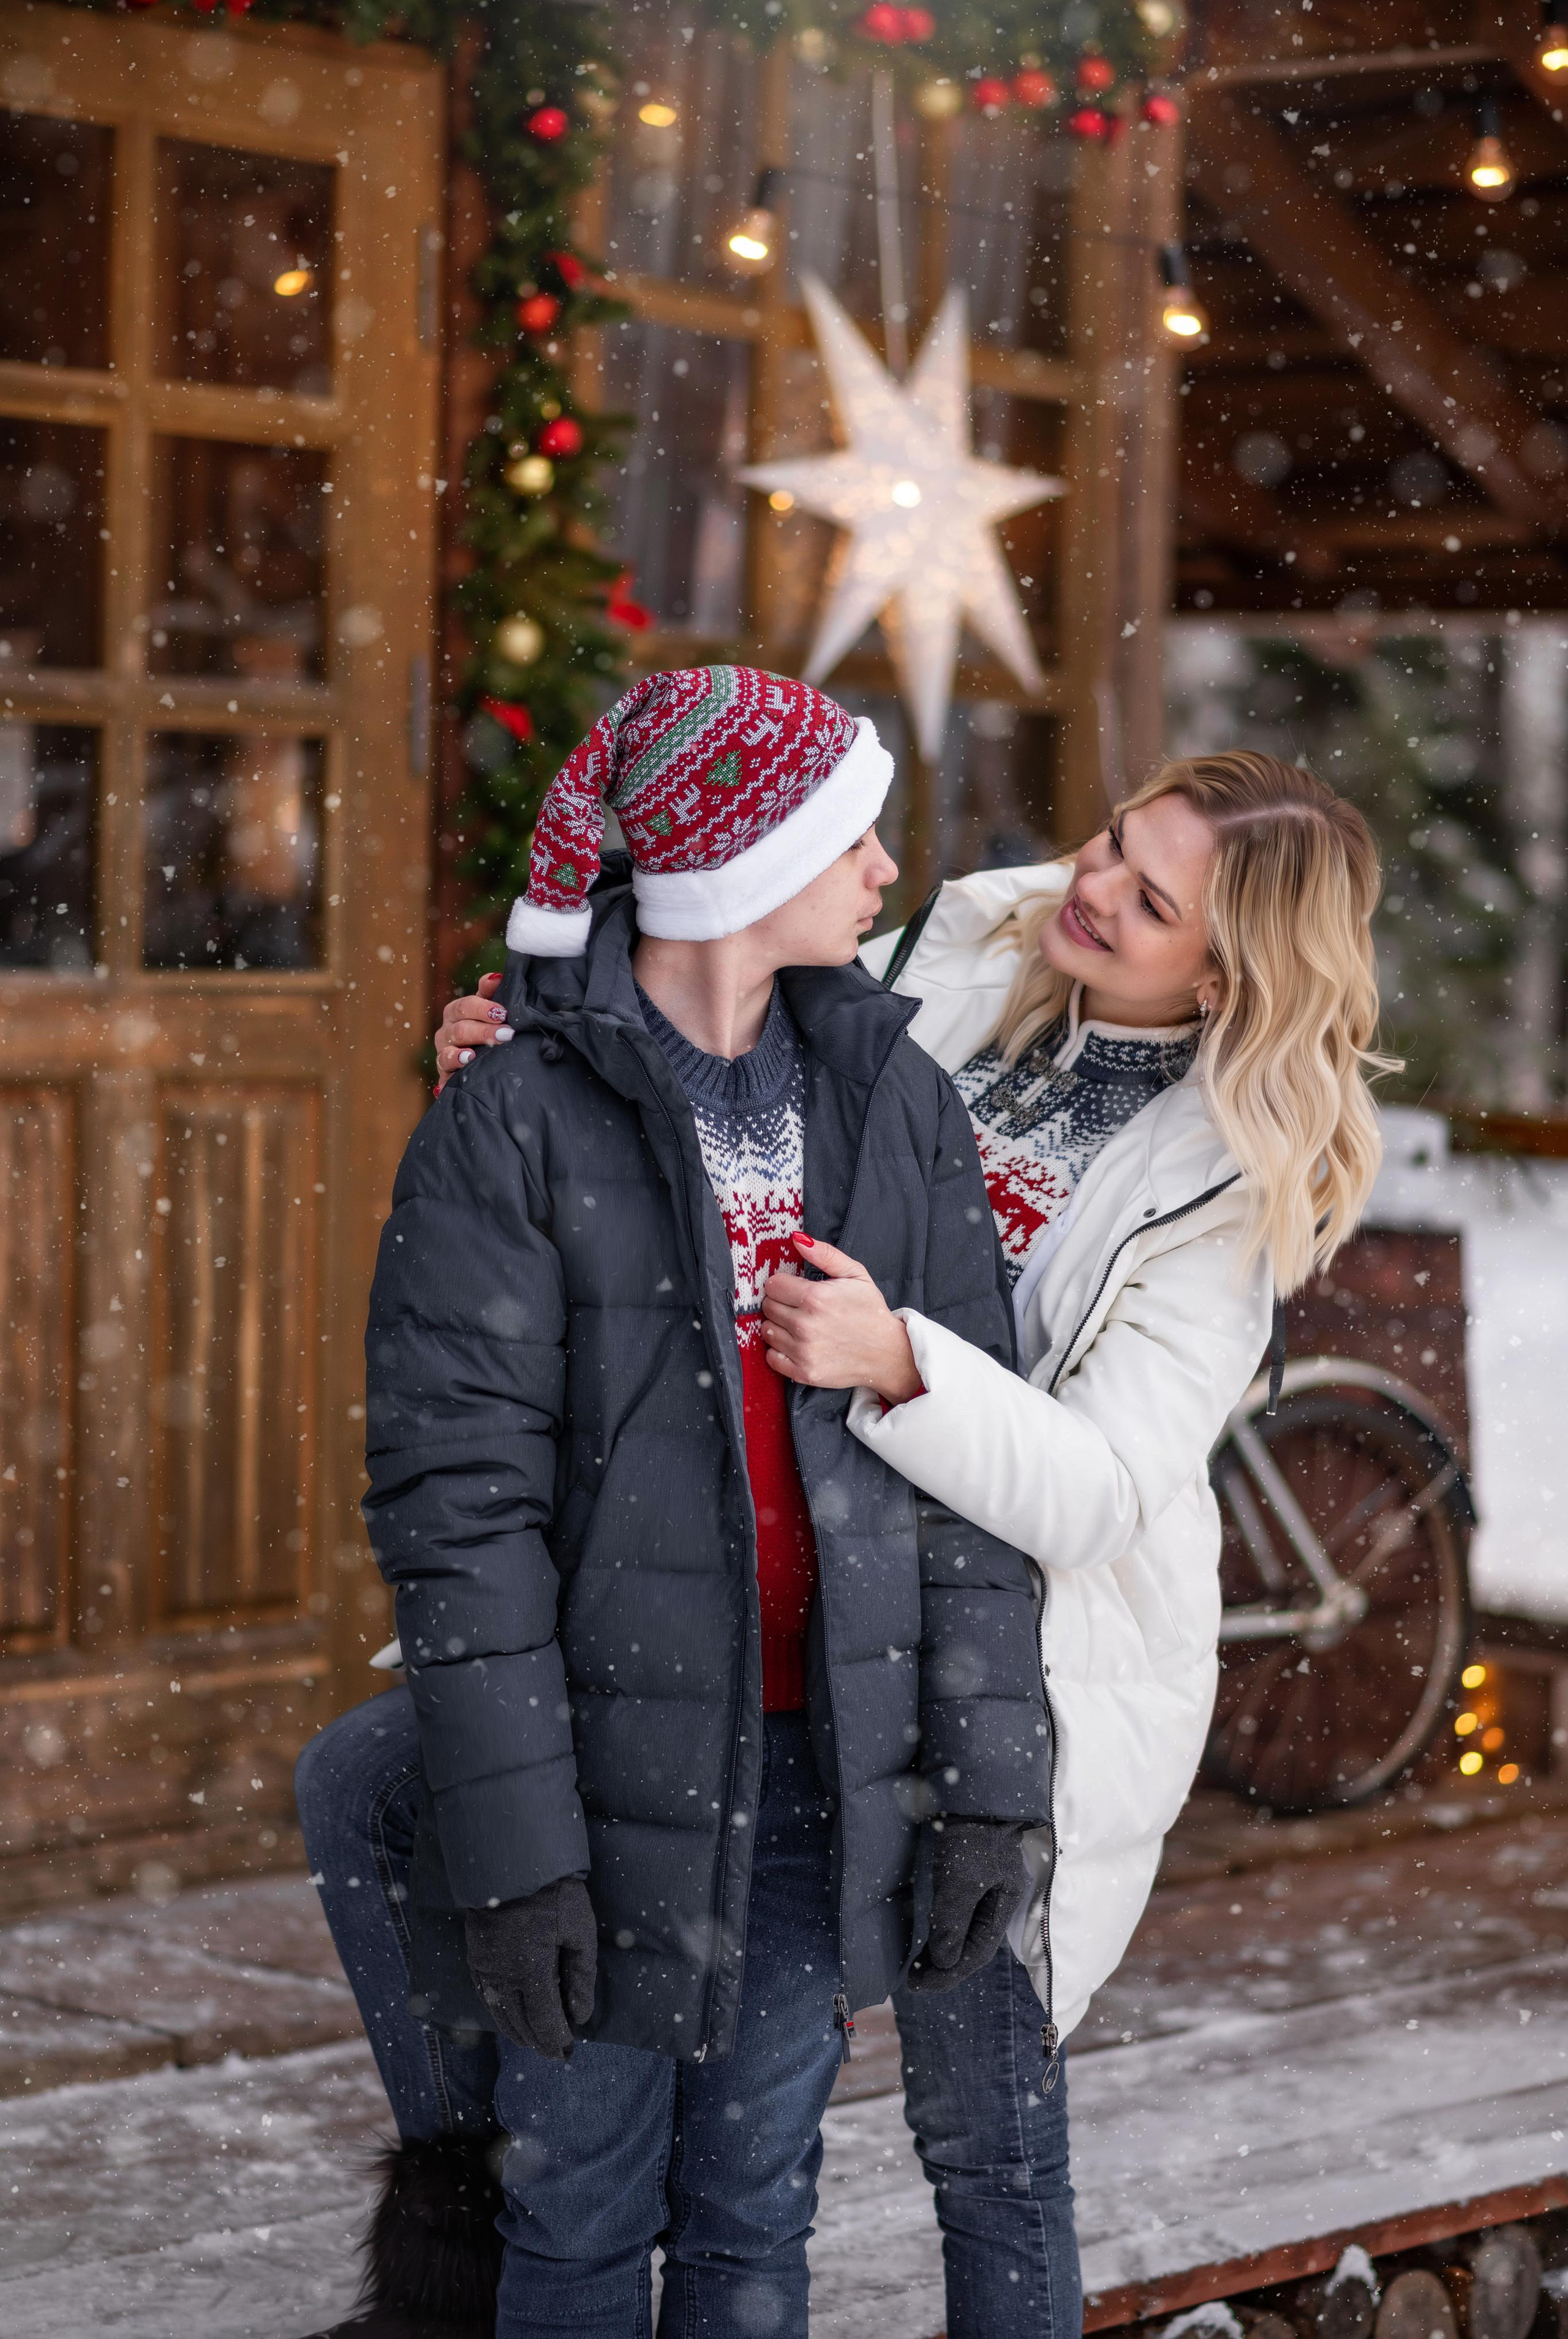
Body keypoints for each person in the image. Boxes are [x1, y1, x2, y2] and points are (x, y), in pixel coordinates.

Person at [426, 746, 1390, 2338]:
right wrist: (529, 1047)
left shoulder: (1221, 1187)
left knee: (985, 2133)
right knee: (432, 1836)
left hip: (1011, 1671)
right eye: (1107, 843)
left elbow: (1099, 1485)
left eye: (1146, 903)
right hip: (804, 1621)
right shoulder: (966, 959)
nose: (1088, 890)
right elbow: (716, 1025)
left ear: (1227, 975)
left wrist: (905, 1362)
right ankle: (487, 2226)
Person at [297, 665, 1052, 2339]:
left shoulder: (894, 1103)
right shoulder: (514, 1120)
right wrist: (518, 1857)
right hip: (596, 1772)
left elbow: (969, 1480)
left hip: (813, 1777)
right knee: (572, 2214)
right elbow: (460, 1509)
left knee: (749, 2223)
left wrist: (993, 1786)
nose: (883, 876)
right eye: (854, 839)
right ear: (743, 855)